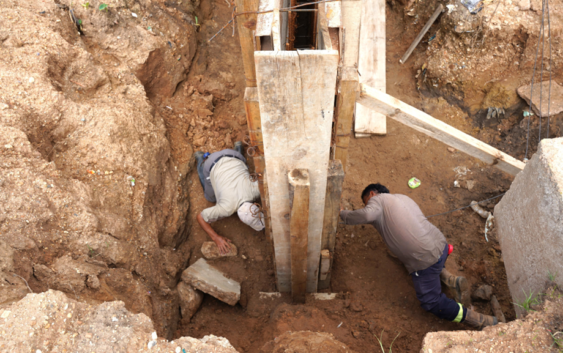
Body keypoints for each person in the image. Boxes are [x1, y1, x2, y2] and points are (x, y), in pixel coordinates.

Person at [339, 183, 498, 329]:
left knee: (431, 302)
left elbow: (367, 216)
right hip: (442, 247)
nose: (366, 206)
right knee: (427, 261)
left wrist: (342, 214)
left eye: (365, 202)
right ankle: (449, 279)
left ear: (372, 194)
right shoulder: (402, 198)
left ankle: (483, 321)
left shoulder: (378, 200)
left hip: (425, 259)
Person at [194, 142, 265, 254]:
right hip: (211, 163)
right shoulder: (226, 209)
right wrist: (215, 238)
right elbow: (200, 217)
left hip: (234, 156)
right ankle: (201, 160)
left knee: (242, 170)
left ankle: (238, 147)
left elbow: (265, 180)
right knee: (210, 198)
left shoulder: (255, 190)